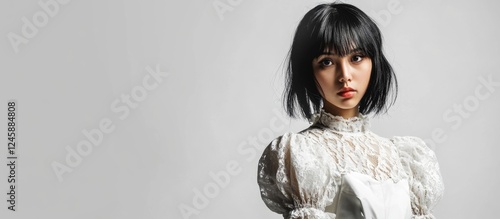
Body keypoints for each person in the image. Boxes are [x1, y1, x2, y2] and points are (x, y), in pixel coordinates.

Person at [256, 2, 444, 219]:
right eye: (327, 62)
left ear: (374, 62)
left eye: (356, 58)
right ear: (309, 71)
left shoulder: (407, 157)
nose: (344, 75)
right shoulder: (303, 156)